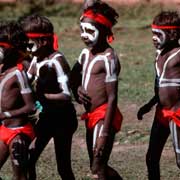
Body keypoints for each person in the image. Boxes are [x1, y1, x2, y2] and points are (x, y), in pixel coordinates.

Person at [19, 14, 78, 180]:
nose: (26, 48)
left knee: (63, 167)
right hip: (46, 118)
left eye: (29, 44)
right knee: (29, 159)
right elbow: (27, 80)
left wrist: (42, 95)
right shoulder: (37, 58)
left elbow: (66, 95)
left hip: (63, 120)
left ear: (43, 41)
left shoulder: (57, 62)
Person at [70, 1, 123, 179]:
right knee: (97, 166)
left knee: (98, 166)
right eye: (82, 30)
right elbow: (73, 76)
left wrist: (105, 132)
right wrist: (77, 88)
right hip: (90, 116)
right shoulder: (85, 54)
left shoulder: (109, 58)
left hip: (104, 116)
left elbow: (113, 97)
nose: (85, 35)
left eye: (90, 31)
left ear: (105, 32)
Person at [137, 11, 180, 180]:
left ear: (173, 34)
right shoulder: (158, 55)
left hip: (177, 114)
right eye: (152, 34)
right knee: (151, 158)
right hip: (161, 113)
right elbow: (159, 86)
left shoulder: (178, 54)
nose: (154, 38)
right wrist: (149, 105)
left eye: (158, 34)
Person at [0, 21, 35, 180]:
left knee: (20, 177)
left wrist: (5, 114)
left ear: (11, 50)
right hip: (4, 130)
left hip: (19, 132)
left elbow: (30, 106)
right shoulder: (2, 70)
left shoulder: (18, 74)